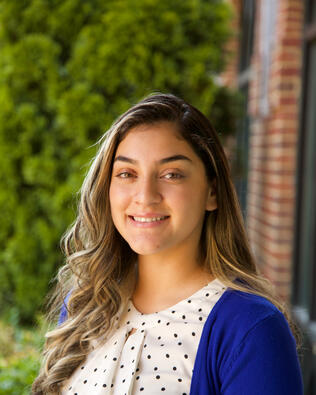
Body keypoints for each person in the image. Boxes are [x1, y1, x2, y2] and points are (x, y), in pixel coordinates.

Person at [32, 93, 303, 394]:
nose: (146, 195)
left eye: (171, 174)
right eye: (127, 174)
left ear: (212, 191)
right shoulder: (85, 303)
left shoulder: (252, 330)